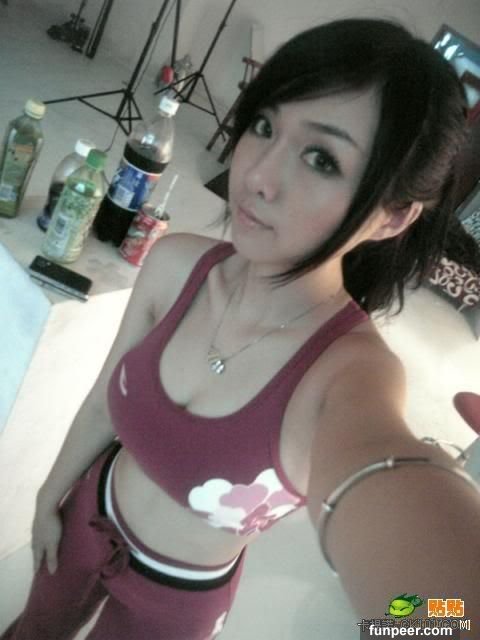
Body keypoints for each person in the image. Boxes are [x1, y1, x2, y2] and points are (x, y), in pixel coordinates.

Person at [3, 17, 480, 640]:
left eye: (321, 158)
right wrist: (49, 497)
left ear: (392, 217)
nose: (256, 175)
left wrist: (418, 623)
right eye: (264, 126)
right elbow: (100, 404)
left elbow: (446, 608)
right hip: (85, 518)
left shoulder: (353, 374)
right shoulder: (175, 264)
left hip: (176, 600)